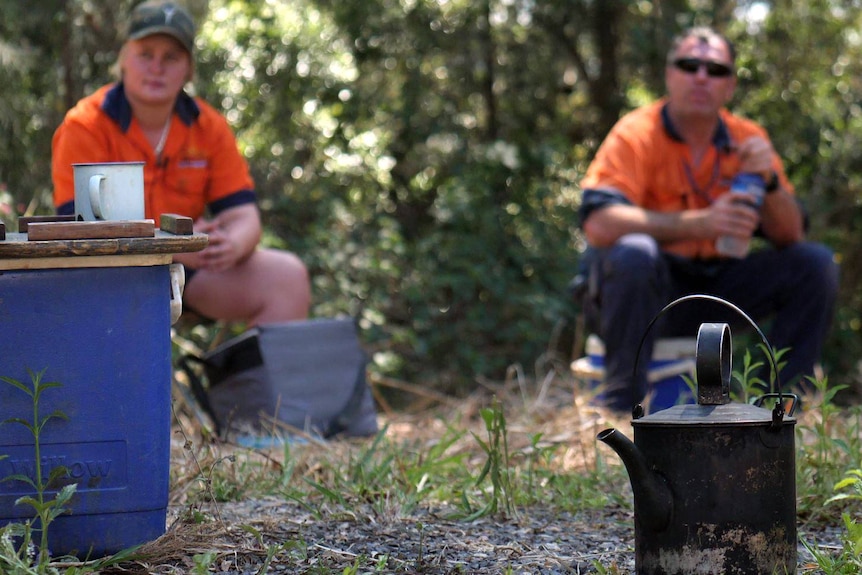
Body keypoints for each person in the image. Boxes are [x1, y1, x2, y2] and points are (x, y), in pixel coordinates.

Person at [578, 26, 839, 412]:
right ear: (669, 75)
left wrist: (767, 181)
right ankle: (620, 410)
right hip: (649, 291)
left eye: (715, 70)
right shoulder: (636, 133)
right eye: (689, 65)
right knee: (634, 252)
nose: (701, 76)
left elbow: (791, 234)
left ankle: (783, 411)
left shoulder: (749, 138)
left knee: (815, 264)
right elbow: (598, 223)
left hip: (720, 288)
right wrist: (699, 223)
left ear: (730, 85)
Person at [52, 0, 311, 327]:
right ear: (124, 59)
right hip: (107, 272)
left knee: (286, 278)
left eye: (171, 57)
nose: (157, 67)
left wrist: (229, 245)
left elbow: (244, 216)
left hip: (188, 273)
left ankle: (249, 378)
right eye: (146, 54)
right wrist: (176, 244)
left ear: (188, 69)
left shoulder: (208, 126)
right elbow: (76, 232)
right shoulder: (85, 124)